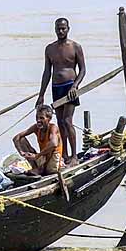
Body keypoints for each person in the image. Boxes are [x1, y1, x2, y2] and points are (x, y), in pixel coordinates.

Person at [36, 17, 86, 165]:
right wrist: (41, 95)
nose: (61, 31)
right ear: (55, 29)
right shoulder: (49, 49)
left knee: (67, 121)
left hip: (70, 87)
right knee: (59, 122)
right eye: (58, 28)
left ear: (68, 29)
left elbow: (83, 70)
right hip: (56, 87)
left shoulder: (75, 46)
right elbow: (47, 72)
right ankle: (63, 154)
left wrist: (75, 86)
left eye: (63, 28)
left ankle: (74, 156)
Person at [13, 105, 64, 176]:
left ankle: (41, 170)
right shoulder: (36, 127)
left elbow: (54, 144)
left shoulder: (53, 128)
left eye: (41, 118)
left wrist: (37, 156)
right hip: (43, 158)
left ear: (49, 118)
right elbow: (16, 137)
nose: (38, 120)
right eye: (37, 117)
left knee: (50, 144)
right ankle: (36, 168)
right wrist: (21, 152)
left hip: (53, 162)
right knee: (21, 140)